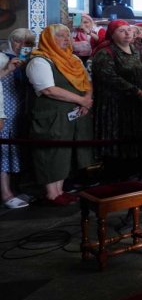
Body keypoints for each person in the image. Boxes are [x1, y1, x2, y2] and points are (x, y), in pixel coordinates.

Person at [25, 24, 94, 204]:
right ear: (48, 39)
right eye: (60, 36)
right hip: (51, 116)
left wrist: (87, 99)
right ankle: (51, 193)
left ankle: (60, 190)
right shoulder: (39, 61)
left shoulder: (73, 59)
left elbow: (86, 81)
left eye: (67, 36)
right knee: (51, 152)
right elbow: (48, 89)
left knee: (65, 152)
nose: (66, 39)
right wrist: (81, 101)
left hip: (72, 115)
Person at [90, 20, 142, 181]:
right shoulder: (105, 53)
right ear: (112, 34)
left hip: (139, 106)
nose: (128, 33)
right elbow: (110, 78)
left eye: (129, 30)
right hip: (117, 108)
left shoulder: (136, 50)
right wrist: (136, 91)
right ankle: (117, 179)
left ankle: (137, 174)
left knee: (139, 143)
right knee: (119, 146)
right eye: (122, 31)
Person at [1, 29, 33, 208]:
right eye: (19, 42)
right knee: (4, 150)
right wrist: (8, 69)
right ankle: (6, 193)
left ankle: (16, 187)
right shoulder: (2, 57)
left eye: (27, 43)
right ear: (12, 41)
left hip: (20, 110)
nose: (22, 46)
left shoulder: (27, 61)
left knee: (16, 150)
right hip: (3, 110)